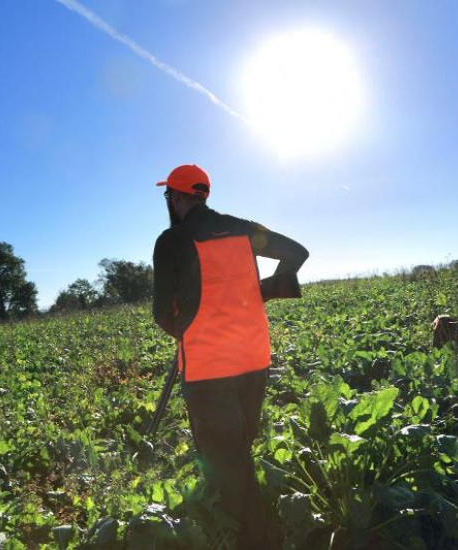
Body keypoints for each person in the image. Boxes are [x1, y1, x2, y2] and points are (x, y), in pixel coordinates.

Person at [151, 164, 308, 549]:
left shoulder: (171, 240)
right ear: (203, 194)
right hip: (254, 361)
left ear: (176, 196)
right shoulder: (243, 228)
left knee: (226, 465)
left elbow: (160, 313)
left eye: (168, 195)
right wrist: (263, 291)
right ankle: (249, 525)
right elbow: (297, 253)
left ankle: (251, 538)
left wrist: (189, 328)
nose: (168, 201)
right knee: (238, 452)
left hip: (207, 369)